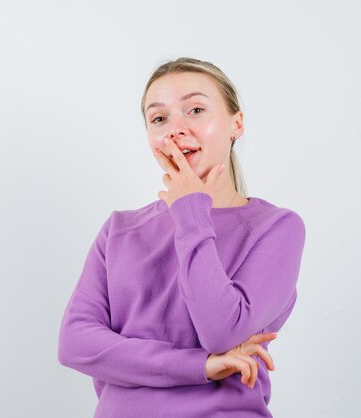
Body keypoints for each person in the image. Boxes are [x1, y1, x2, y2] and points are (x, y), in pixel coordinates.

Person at [57, 57, 306, 417]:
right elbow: (75, 343)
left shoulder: (277, 228)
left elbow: (221, 330)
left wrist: (191, 211)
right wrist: (201, 366)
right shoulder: (119, 230)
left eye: (196, 110)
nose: (175, 129)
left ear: (236, 124)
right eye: (159, 118)